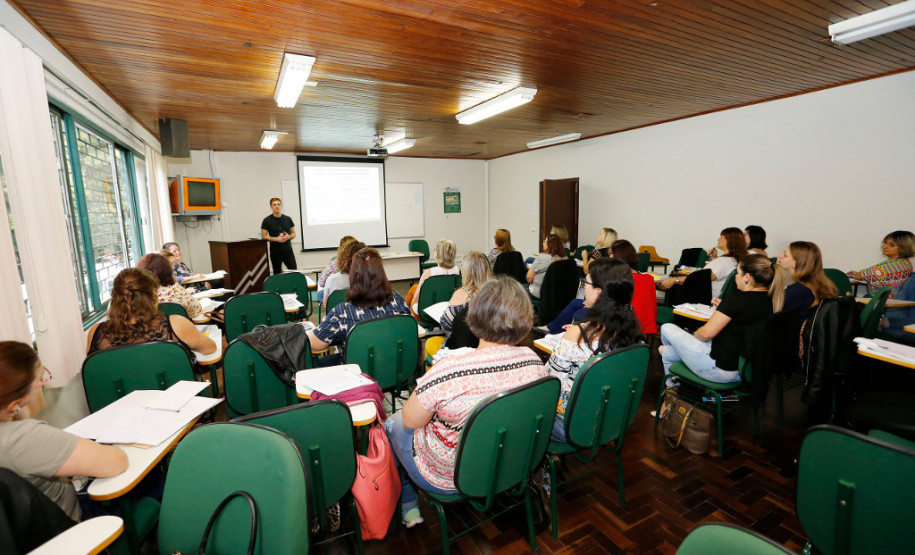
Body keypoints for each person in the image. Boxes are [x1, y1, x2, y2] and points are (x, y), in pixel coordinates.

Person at [385, 276, 546, 527]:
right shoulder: (534, 360)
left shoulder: (450, 368)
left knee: (393, 424)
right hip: (508, 464)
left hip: (449, 475)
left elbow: (410, 419)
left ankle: (408, 503)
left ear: (475, 314)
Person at [0, 341, 128, 521]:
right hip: (63, 525)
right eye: (40, 381)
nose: (42, 384)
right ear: (14, 404)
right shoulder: (23, 438)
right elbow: (116, 462)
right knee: (154, 483)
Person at [546, 258, 645, 442]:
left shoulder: (579, 333)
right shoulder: (634, 332)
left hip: (574, 425)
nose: (584, 287)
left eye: (586, 283)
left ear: (598, 292)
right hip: (614, 418)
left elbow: (550, 383)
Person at [659, 254, 784, 387]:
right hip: (746, 369)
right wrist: (725, 307)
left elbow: (706, 334)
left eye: (737, 273)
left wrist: (693, 335)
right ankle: (669, 402)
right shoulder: (773, 300)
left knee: (666, 327)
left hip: (720, 369)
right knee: (666, 352)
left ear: (747, 277)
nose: (735, 277)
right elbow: (744, 316)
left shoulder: (736, 300)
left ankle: (677, 394)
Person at [306, 248, 410, 360]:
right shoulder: (398, 299)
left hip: (357, 372)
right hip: (395, 366)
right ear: (381, 273)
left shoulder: (343, 312)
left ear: (353, 275)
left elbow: (315, 343)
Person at [87, 268, 216, 355]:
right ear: (153, 295)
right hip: (172, 394)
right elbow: (210, 348)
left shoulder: (96, 333)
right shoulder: (176, 324)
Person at [425, 251, 493, 357]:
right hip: (490, 349)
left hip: (461, 351)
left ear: (466, 272)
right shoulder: (497, 294)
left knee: (430, 343)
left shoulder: (461, 294)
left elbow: (445, 325)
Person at [659, 227, 747, 299]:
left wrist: (676, 279)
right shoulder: (733, 260)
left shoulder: (724, 261)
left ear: (729, 240)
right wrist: (714, 258)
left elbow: (701, 278)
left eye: (721, 237)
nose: (718, 239)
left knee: (660, 284)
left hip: (703, 297)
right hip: (710, 295)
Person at [778, 241, 838, 320]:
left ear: (797, 262)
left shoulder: (798, 291)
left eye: (785, 255)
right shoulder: (825, 285)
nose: (779, 256)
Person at [847, 230, 915, 298]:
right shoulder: (906, 263)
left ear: (904, 247)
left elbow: (859, 276)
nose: (885, 246)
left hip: (881, 302)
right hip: (895, 301)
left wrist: (856, 274)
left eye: (892, 245)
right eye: (885, 243)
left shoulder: (888, 266)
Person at [137, 252, 204, 319]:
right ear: (166, 269)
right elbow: (196, 308)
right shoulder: (174, 289)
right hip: (187, 325)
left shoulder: (142, 297)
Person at [408, 239, 460, 316]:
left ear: (437, 255)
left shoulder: (429, 273)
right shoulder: (458, 271)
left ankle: (404, 314)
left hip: (429, 313)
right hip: (451, 310)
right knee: (414, 288)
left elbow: (416, 299)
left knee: (413, 300)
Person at [322, 240, 366, 311]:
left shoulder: (332, 279)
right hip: (364, 319)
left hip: (339, 319)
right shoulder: (371, 279)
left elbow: (326, 306)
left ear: (343, 258)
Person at [260, 197, 297, 274]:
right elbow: (264, 236)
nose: (277, 206)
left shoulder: (287, 219)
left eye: (278, 204)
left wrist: (289, 237)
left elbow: (293, 233)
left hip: (288, 251)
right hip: (275, 252)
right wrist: (276, 239)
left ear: (281, 206)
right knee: (277, 273)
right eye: (274, 205)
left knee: (294, 272)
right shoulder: (267, 220)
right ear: (271, 207)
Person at [317, 235, 356, 303]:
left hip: (333, 300)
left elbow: (322, 283)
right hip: (355, 298)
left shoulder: (333, 264)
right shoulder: (361, 263)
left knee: (322, 293)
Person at [527, 234, 566, 298]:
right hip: (557, 294)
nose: (543, 243)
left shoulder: (541, 258)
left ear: (549, 245)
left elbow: (529, 279)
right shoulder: (565, 259)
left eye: (545, 241)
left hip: (539, 294)